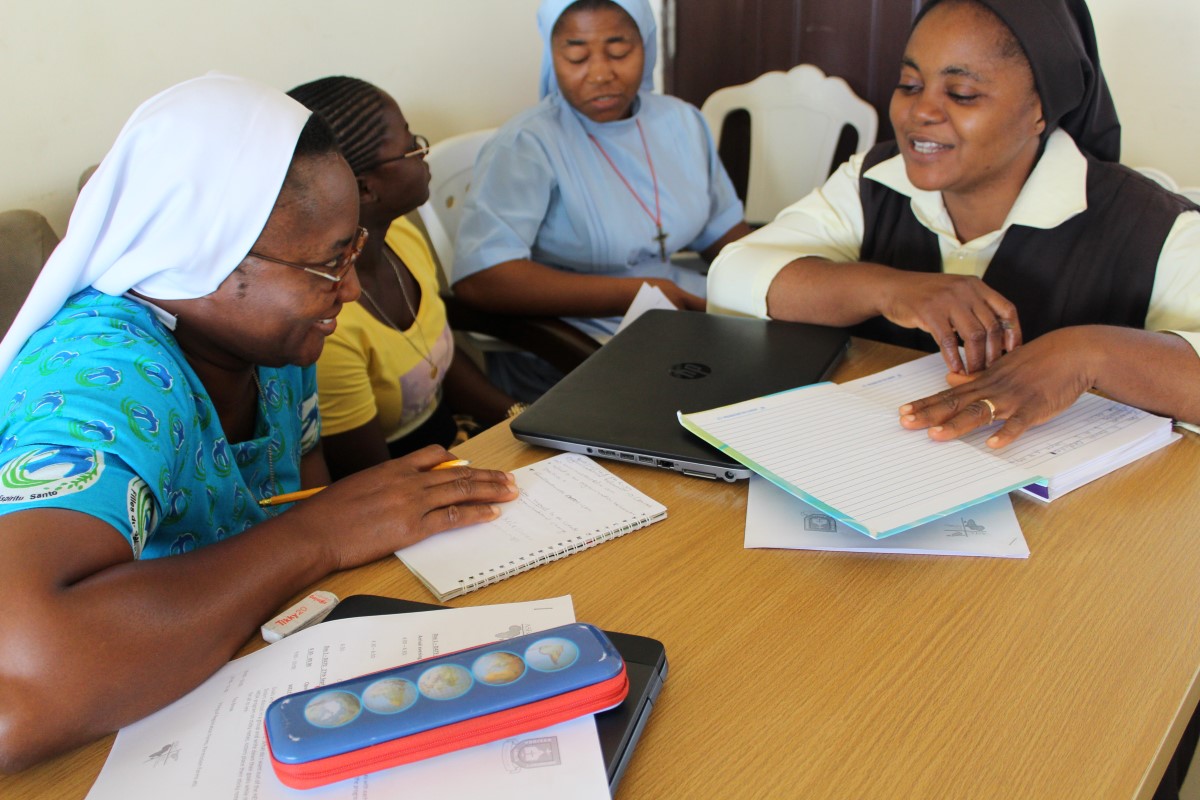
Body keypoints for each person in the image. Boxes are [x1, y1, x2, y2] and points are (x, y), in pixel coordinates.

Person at [0, 74, 518, 773]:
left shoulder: (273, 340)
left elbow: (297, 495)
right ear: (205, 255)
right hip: (112, 742)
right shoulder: (107, 377)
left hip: (247, 682)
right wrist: (319, 534)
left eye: (353, 252)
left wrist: (322, 536)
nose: (353, 289)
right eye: (331, 262)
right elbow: (22, 680)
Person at [708, 0, 1200, 448]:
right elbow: (734, 274)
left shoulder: (1153, 226)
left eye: (962, 93)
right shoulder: (875, 179)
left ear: (1041, 111)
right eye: (910, 85)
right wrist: (889, 289)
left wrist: (1089, 353)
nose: (920, 112)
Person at [451, 0, 752, 400]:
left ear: (645, 46)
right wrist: (639, 290)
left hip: (677, 312)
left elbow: (723, 229)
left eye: (619, 51)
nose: (599, 74)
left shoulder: (680, 121)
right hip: (571, 341)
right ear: (552, 55)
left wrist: (769, 282)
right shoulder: (527, 144)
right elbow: (481, 280)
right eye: (576, 54)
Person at [286, 76, 522, 480]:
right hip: (396, 482)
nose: (424, 153)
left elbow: (438, 357)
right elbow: (375, 479)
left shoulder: (403, 238)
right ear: (363, 188)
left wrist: (523, 418)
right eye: (411, 147)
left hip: (457, 444)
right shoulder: (330, 323)